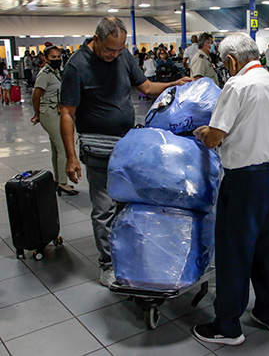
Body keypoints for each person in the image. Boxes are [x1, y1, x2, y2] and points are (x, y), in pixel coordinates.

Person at [60, 17, 191, 287]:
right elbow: (67, 113)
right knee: (104, 207)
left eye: (119, 50)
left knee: (129, 202)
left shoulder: (124, 57)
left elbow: (145, 87)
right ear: (95, 40)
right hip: (97, 148)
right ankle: (108, 264)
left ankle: (130, 253)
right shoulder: (77, 66)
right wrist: (71, 157)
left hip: (127, 144)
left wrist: (174, 84)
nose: (114, 55)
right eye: (110, 50)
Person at [192, 32, 269, 346]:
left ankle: (227, 326)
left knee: (234, 253)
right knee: (266, 250)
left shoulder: (237, 85)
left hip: (243, 182)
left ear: (232, 61)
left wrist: (202, 132)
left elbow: (215, 137)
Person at [30, 46, 78, 197]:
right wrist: (37, 114)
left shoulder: (57, 72)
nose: (57, 60)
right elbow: (36, 95)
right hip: (49, 113)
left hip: (57, 112)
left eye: (58, 57)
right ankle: (63, 184)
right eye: (53, 58)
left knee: (56, 148)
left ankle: (58, 180)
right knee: (63, 147)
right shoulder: (44, 74)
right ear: (46, 58)